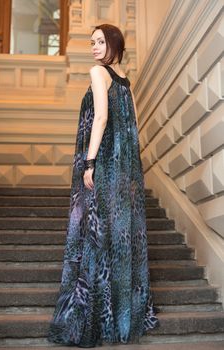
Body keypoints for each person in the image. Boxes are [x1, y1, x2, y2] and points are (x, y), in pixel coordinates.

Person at [48, 23, 159, 348]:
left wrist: (90, 162)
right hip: (124, 169)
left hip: (104, 165)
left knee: (95, 234)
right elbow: (134, 125)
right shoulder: (127, 81)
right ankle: (122, 317)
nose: (94, 47)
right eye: (92, 42)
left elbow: (101, 117)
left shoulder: (99, 73)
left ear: (113, 44)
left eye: (100, 41)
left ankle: (92, 316)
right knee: (119, 237)